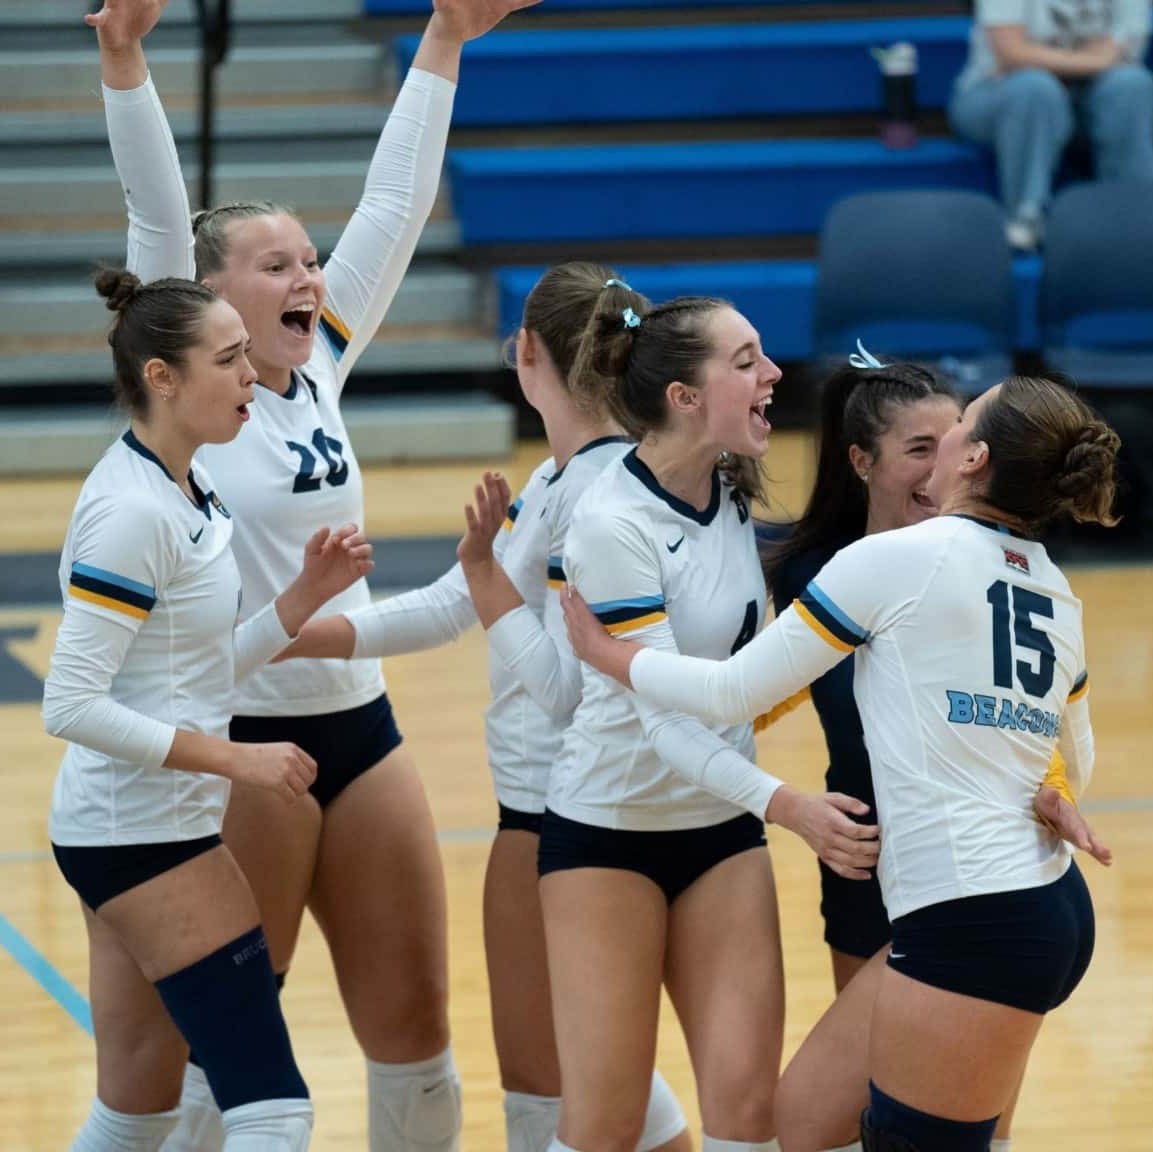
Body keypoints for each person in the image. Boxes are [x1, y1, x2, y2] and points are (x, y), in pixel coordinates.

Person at [87, 0, 534, 1146]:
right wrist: (123, 56)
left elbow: (391, 204)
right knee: (230, 1057)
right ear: (205, 297)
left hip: (358, 725)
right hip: (236, 733)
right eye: (275, 262)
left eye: (308, 258)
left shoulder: (320, 358)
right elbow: (153, 209)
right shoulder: (186, 390)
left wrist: (442, 39)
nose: (309, 274)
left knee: (417, 1027)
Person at [566, 374, 1119, 1152]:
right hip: (1040, 899)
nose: (945, 436)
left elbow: (729, 692)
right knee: (802, 1125)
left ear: (973, 457)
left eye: (958, 423)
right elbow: (1079, 757)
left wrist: (611, 656)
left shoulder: (893, 560)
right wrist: (1043, 792)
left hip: (975, 915)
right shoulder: (1056, 589)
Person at [279, 265, 691, 1152]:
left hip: (558, 819)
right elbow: (446, 604)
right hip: (585, 811)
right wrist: (300, 636)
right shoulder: (569, 479)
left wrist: (485, 588)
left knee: (553, 1103)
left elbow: (577, 689)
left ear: (525, 352)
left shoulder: (591, 494)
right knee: (612, 1090)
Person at [499, 292, 879, 1152]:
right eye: (745, 361)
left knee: (748, 1118)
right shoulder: (611, 521)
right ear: (682, 396)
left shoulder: (733, 488)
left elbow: (747, 666)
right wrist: (790, 807)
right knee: (605, 1125)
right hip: (606, 837)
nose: (772, 373)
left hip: (720, 834)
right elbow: (669, 725)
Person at [43, 269, 373, 1152]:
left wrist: (300, 600)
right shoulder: (130, 510)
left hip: (131, 828)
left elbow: (194, 671)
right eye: (227, 361)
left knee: (136, 1113)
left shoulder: (186, 484)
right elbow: (70, 704)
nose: (249, 377)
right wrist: (239, 762)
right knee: (274, 1109)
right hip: (143, 834)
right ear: (163, 377)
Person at [757, 353, 1111, 1152]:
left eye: (950, 438)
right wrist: (788, 808)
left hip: (974, 883)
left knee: (953, 1126)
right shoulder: (819, 573)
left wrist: (1047, 788)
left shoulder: (996, 569)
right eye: (918, 447)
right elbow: (745, 700)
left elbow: (1038, 728)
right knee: (841, 1121)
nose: (939, 460)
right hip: (863, 863)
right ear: (863, 462)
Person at [949, 0, 1153, 250]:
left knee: (1131, 84)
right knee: (1036, 88)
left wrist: (1033, 56)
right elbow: (1011, 51)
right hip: (996, 96)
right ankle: (1027, 217)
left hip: (1091, 100)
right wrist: (1097, 59)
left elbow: (1129, 51)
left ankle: (1135, 217)